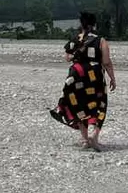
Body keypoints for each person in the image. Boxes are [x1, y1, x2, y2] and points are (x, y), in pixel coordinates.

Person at [49, 11, 116, 150]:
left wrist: (79, 57)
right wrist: (112, 78)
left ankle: (85, 139)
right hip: (95, 77)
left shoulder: (75, 39)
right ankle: (94, 136)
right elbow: (106, 61)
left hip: (76, 75)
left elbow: (67, 57)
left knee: (79, 104)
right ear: (95, 24)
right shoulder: (101, 40)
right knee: (99, 105)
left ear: (81, 24)